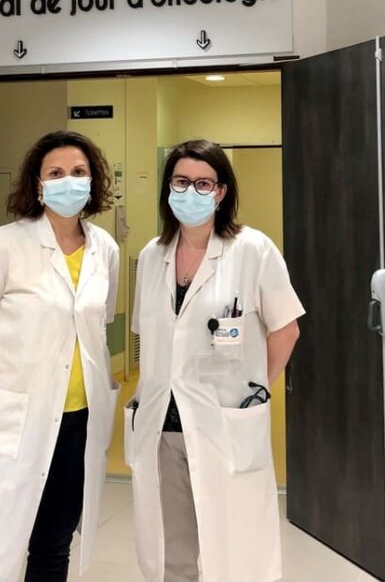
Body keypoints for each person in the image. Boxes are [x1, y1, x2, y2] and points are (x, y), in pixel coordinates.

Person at [0, 131, 121, 582]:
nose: (69, 181)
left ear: (93, 181)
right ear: (38, 184)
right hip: (13, 420)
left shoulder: (105, 248)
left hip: (77, 420)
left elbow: (97, 327)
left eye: (79, 172)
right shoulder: (2, 245)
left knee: (53, 540)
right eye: (56, 173)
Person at [126, 139, 305, 582]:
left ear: (221, 191)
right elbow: (147, 336)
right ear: (168, 189)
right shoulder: (151, 256)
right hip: (162, 421)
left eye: (203, 183)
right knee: (172, 547)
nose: (191, 192)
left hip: (225, 421)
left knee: (235, 545)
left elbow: (286, 329)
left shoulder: (252, 249)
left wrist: (255, 390)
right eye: (181, 182)